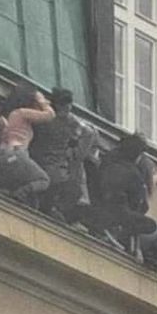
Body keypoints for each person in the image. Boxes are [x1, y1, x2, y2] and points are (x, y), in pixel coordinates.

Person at [79, 133, 157, 250]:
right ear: (137, 155)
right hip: (117, 214)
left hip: (96, 207)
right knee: (150, 225)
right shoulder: (134, 174)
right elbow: (141, 206)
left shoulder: (107, 160)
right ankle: (120, 238)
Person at [29, 88, 97, 221]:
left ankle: (53, 209)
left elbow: (88, 133)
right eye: (65, 106)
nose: (67, 109)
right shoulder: (61, 121)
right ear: (60, 105)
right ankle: (54, 210)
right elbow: (88, 133)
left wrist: (76, 154)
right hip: (48, 167)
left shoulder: (52, 118)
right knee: (73, 189)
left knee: (70, 187)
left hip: (44, 164)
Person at [0, 83, 55, 208]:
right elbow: (50, 115)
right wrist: (41, 100)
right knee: (43, 180)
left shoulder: (7, 116)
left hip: (2, 158)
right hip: (17, 154)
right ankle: (20, 193)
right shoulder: (21, 113)